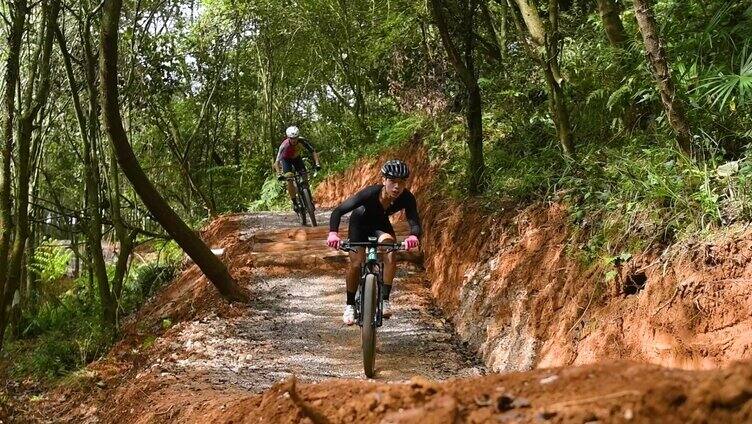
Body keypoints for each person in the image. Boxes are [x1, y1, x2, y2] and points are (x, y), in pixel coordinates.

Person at [326, 159, 421, 325]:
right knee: (356, 264)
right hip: (359, 225)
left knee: (390, 252)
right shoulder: (369, 193)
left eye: (401, 182)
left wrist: (414, 236)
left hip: (380, 227)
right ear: (384, 180)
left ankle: (384, 299)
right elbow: (338, 211)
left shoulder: (407, 197)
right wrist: (333, 234)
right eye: (392, 181)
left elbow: (414, 220)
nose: (397, 187)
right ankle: (349, 305)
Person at [274, 126, 321, 212]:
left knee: (304, 176)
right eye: (292, 138)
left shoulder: (302, 141)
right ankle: (295, 202)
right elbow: (276, 162)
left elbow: (313, 152)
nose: (294, 140)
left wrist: (317, 164)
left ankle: (309, 200)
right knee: (289, 179)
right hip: (286, 160)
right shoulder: (284, 145)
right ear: (288, 138)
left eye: (296, 137)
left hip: (296, 159)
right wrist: (279, 174)